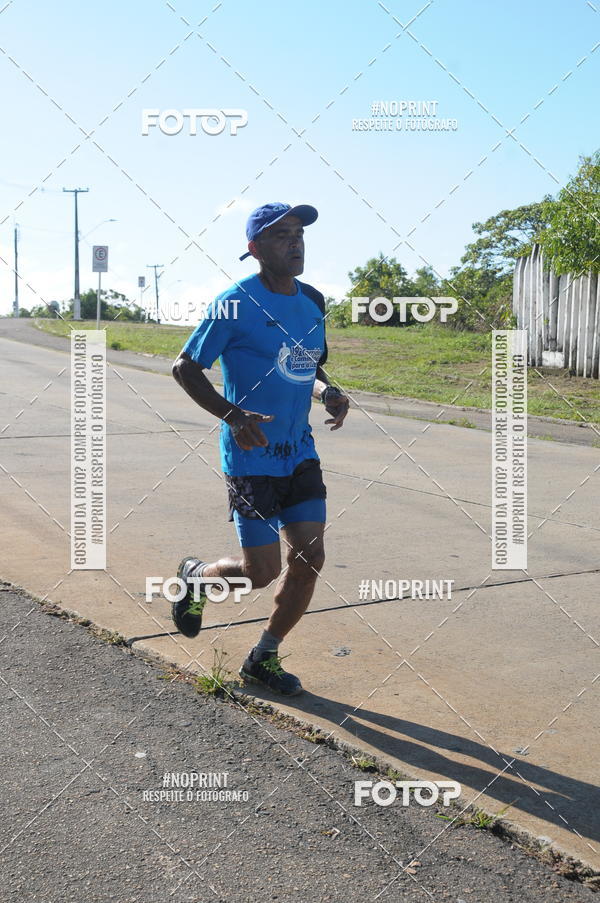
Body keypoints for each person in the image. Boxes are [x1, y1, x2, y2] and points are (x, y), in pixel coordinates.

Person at [171, 202, 349, 695]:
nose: (295, 242)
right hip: (251, 456)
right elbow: (185, 368)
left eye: (299, 234)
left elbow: (305, 363)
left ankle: (262, 658)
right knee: (261, 572)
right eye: (281, 235)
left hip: (300, 452)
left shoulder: (312, 300)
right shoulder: (234, 303)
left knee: (310, 559)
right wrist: (233, 415)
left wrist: (327, 392)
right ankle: (198, 577)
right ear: (254, 249)